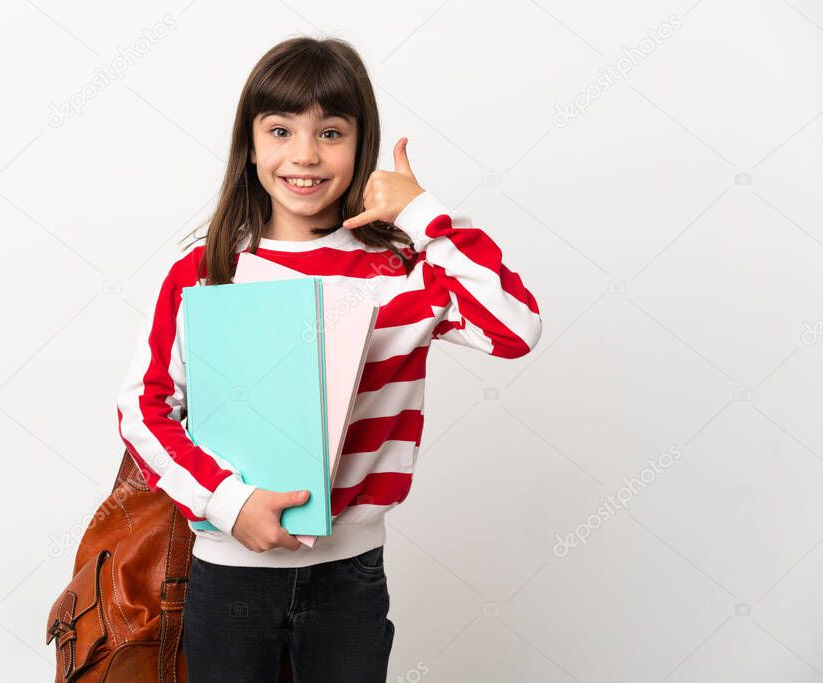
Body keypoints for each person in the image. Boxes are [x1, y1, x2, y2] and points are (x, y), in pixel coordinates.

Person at [115, 35, 543, 683]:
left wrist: (425, 215)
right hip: (228, 573)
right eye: (281, 129)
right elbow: (144, 407)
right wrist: (229, 502)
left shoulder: (399, 269)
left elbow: (515, 326)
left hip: (351, 577)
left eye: (331, 131)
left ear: (361, 143)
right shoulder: (210, 270)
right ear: (251, 145)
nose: (305, 155)